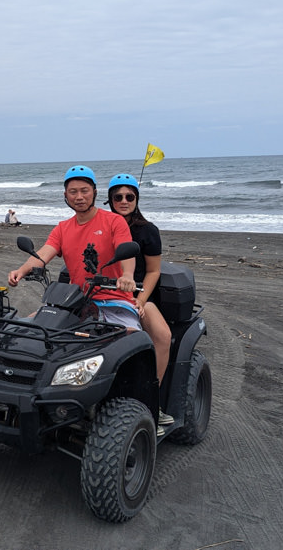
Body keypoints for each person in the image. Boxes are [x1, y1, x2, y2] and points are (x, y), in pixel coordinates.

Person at [7, 165, 140, 330]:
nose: (79, 197)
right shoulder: (63, 228)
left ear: (94, 192)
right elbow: (43, 254)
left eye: (85, 191)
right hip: (75, 301)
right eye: (73, 192)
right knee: (31, 329)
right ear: (65, 195)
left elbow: (125, 250)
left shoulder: (114, 221)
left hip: (114, 301)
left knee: (128, 337)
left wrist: (127, 276)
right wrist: (21, 271)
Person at [107, 173, 175, 435]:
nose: (124, 201)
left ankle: (150, 402)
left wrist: (141, 300)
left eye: (129, 196)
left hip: (138, 293)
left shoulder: (147, 231)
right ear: (110, 200)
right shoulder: (100, 224)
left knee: (162, 336)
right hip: (102, 293)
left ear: (137, 198)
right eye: (118, 197)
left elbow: (153, 271)